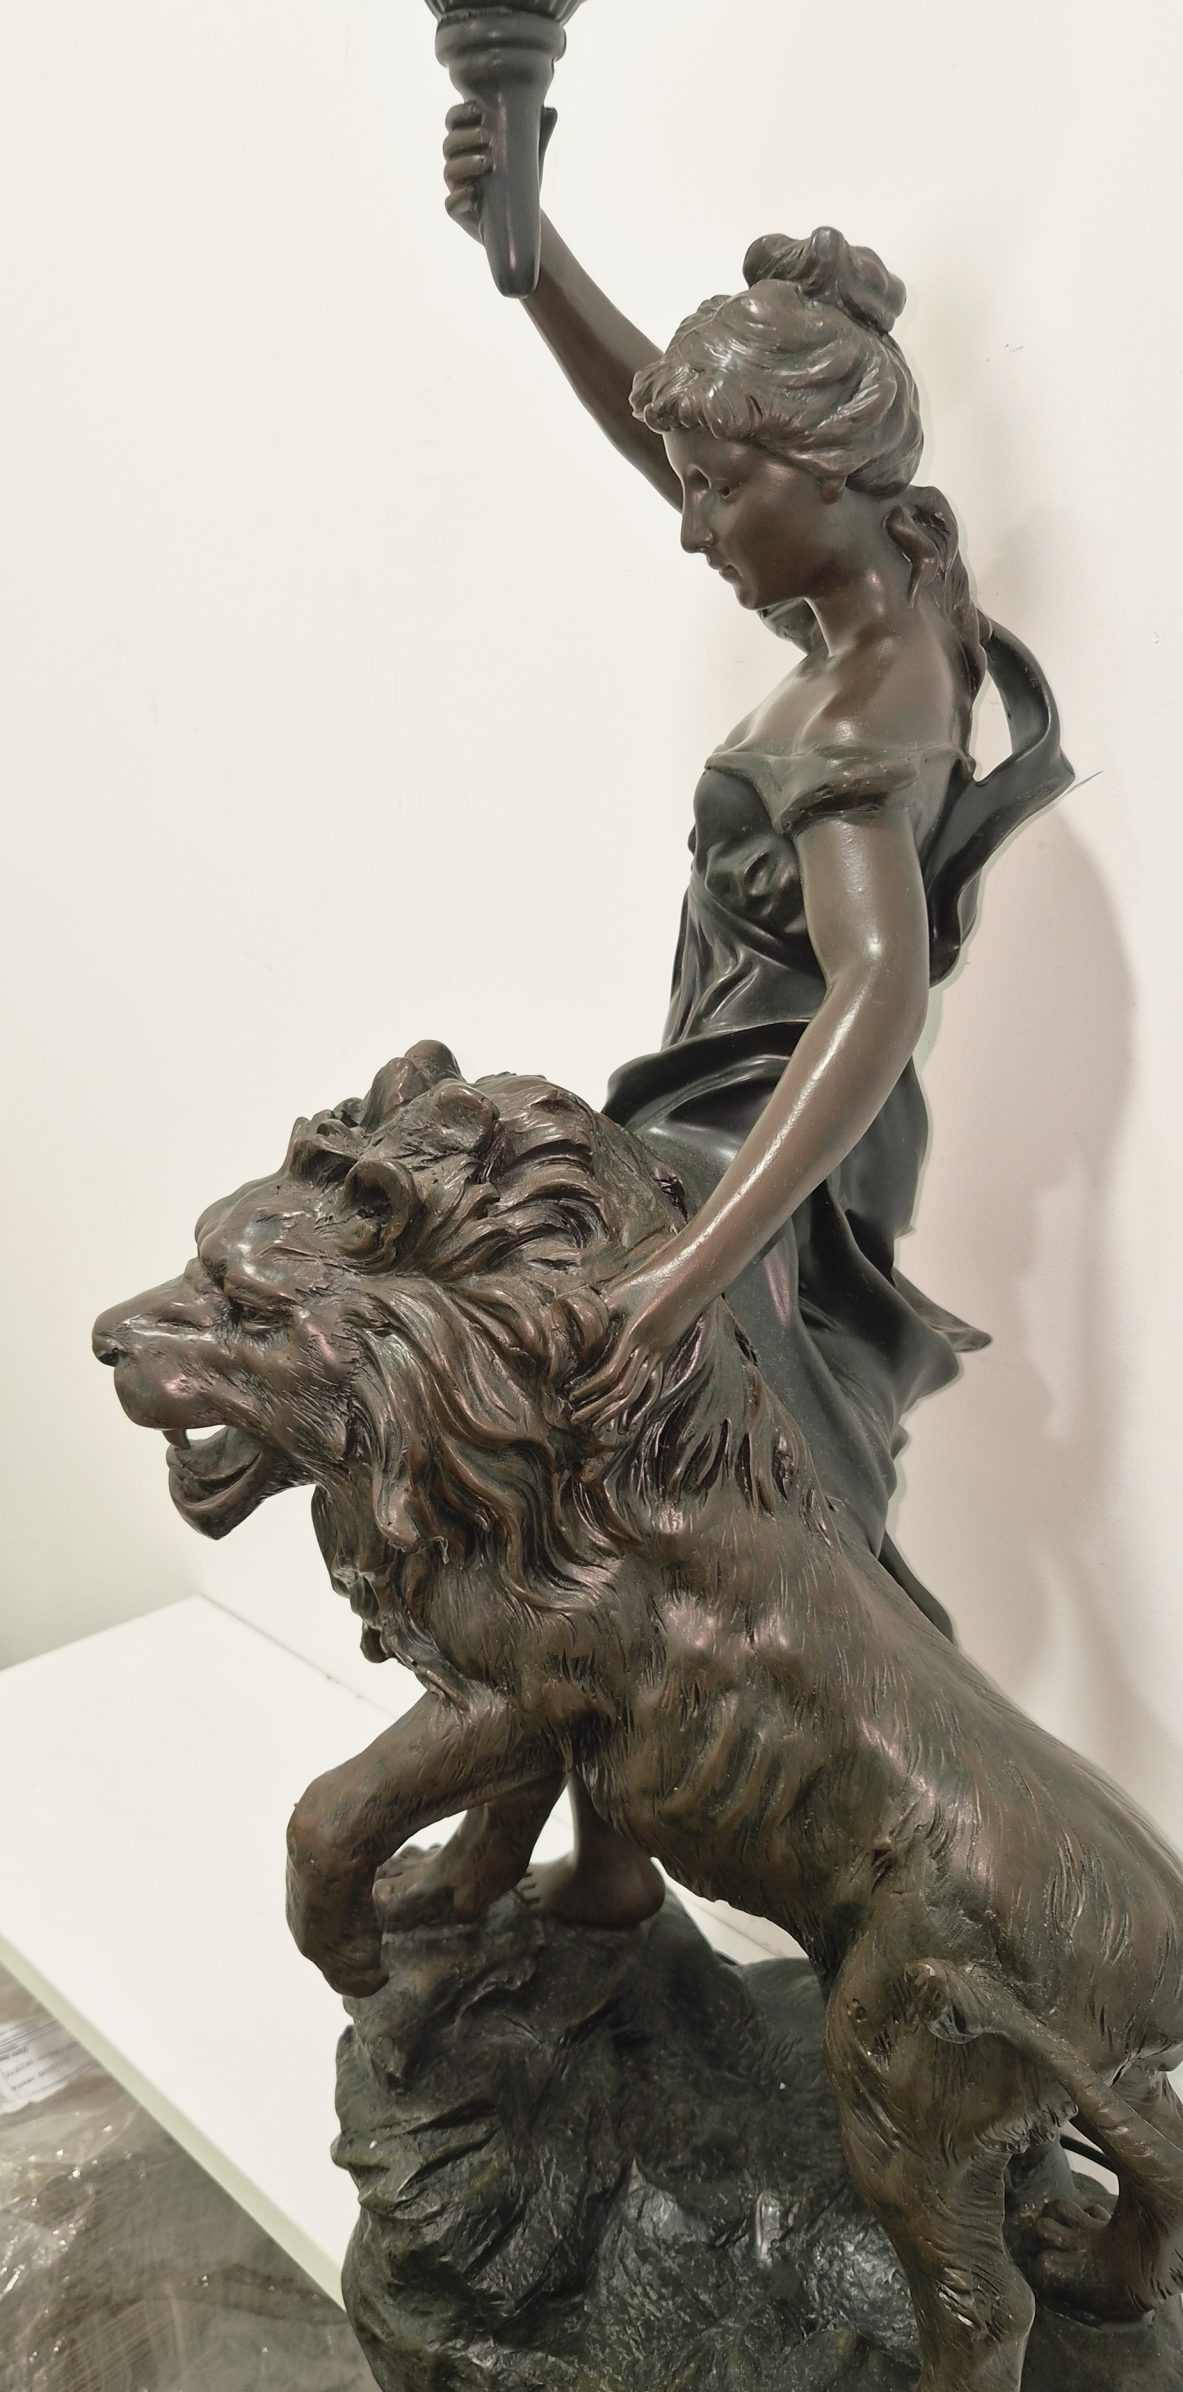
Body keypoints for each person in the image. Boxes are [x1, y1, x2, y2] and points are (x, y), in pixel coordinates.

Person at [434, 108, 1071, 1924]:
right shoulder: (868, 605)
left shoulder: (864, 709)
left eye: (719, 491)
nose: (691, 522)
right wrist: (529, 251)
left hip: (765, 1167)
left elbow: (876, 994)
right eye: (695, 483)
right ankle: (597, 1868)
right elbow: (673, 426)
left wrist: (682, 1272)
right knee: (623, 1495)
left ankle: (741, 1864)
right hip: (721, 1129)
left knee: (655, 1501)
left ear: (824, 472)